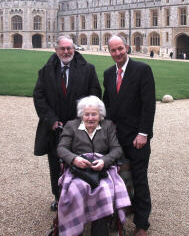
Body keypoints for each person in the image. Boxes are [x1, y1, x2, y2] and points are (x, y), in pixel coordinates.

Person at [33, 36, 101, 211]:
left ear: (74, 49)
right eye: (62, 49)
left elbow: (94, 95)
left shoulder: (88, 70)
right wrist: (52, 120)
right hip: (55, 128)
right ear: (56, 50)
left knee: (82, 163)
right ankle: (59, 196)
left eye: (69, 48)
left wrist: (84, 119)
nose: (66, 52)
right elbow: (39, 97)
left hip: (80, 128)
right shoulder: (45, 71)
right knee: (56, 164)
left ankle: (82, 198)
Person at [103, 35, 156, 236]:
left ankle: (142, 224)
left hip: (137, 137)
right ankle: (120, 211)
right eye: (113, 50)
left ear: (127, 47)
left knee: (139, 178)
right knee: (116, 176)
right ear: (109, 52)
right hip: (116, 137)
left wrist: (143, 133)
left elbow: (148, 104)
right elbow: (106, 102)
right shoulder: (109, 73)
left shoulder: (142, 70)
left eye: (120, 49)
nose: (117, 53)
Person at [57, 95, 131, 236]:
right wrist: (74, 159)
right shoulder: (71, 126)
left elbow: (117, 149)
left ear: (100, 115)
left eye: (94, 114)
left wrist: (104, 161)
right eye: (87, 114)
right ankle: (74, 230)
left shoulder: (107, 126)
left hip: (101, 170)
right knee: (74, 191)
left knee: (104, 191)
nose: (90, 118)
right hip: (79, 170)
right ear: (81, 114)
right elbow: (61, 148)